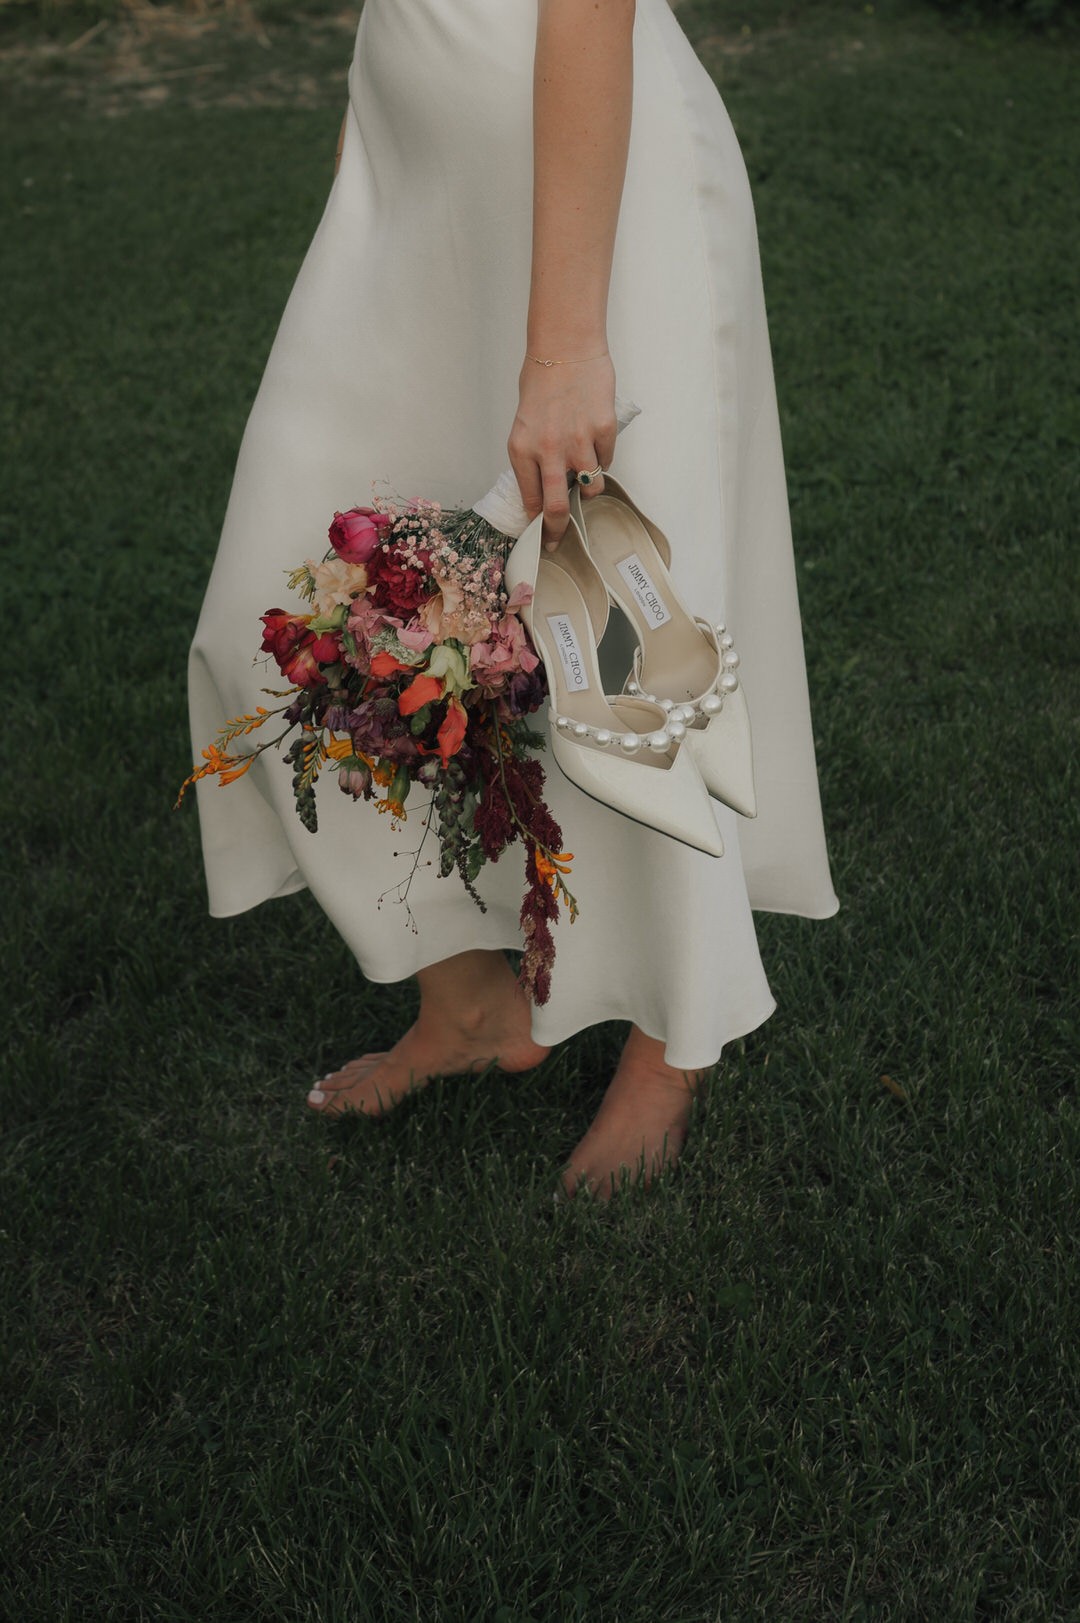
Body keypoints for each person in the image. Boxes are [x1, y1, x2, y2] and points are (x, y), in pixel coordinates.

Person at [187, 0, 838, 1199]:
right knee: (278, 598)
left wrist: (565, 349)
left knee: (623, 645)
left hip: (597, 202)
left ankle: (671, 1041)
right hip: (416, 183)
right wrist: (365, 178)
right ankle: (469, 1002)